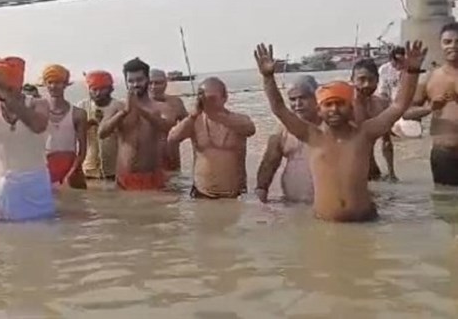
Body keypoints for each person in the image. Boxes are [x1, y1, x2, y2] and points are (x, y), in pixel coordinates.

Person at [254, 42, 426, 222]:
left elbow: (399, 106)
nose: (334, 109)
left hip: (365, 221)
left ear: (351, 108)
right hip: (325, 224)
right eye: (328, 104)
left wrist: (411, 72)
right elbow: (280, 109)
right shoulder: (312, 136)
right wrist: (267, 77)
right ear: (319, 110)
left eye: (340, 103)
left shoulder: (364, 134)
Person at [0, 56, 56, 222]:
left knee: (42, 238)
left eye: (8, 86)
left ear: (19, 85)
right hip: (2, 187)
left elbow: (38, 126)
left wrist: (6, 97)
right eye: (0, 84)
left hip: (34, 186)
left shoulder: (39, 104)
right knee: (4, 241)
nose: (4, 90)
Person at [168, 77, 256, 199]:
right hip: (201, 192)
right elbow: (172, 138)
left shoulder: (239, 120)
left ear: (225, 97)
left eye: (212, 99)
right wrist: (192, 115)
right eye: (205, 99)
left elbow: (250, 130)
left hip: (234, 194)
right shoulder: (194, 121)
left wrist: (217, 116)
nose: (208, 103)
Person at [99, 58, 175, 191]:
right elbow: (102, 133)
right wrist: (125, 111)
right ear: (126, 82)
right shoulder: (117, 107)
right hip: (124, 177)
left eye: (139, 80)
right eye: (130, 81)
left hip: (153, 176)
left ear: (147, 79)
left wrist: (139, 109)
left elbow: (167, 128)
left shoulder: (161, 107)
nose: (135, 84)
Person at [404, 22, 458, 187]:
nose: (453, 46)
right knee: (446, 205)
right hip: (444, 153)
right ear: (440, 44)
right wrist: (429, 108)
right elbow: (406, 113)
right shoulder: (431, 78)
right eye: (447, 42)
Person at [255, 75, 319, 203]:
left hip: (324, 206)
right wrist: (260, 194)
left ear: (317, 97)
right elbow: (269, 164)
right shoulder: (283, 130)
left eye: (303, 98)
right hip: (291, 205)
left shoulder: (330, 128)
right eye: (292, 99)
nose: (297, 104)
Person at [351, 58, 398, 182]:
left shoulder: (381, 104)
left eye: (371, 80)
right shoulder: (345, 107)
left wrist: (391, 173)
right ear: (352, 80)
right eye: (361, 79)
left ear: (377, 81)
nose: (366, 84)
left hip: (373, 171)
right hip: (349, 172)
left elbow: (387, 142)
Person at [42, 64, 88, 189]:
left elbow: (82, 150)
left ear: (65, 84)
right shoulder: (39, 112)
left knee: (76, 205)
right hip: (45, 167)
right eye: (50, 82)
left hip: (71, 166)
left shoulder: (78, 114)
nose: (53, 86)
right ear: (45, 84)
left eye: (58, 82)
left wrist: (71, 172)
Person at [76, 71, 123, 180]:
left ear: (111, 89)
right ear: (89, 90)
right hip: (88, 168)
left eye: (102, 89)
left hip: (114, 168)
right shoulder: (82, 107)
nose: (98, 93)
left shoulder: (119, 107)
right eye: (94, 89)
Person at [149, 69, 188, 172]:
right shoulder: (139, 104)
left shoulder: (176, 103)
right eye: (150, 83)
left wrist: (175, 139)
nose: (153, 87)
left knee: (175, 185)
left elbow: (190, 127)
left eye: (158, 83)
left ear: (166, 83)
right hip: (147, 162)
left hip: (171, 158)